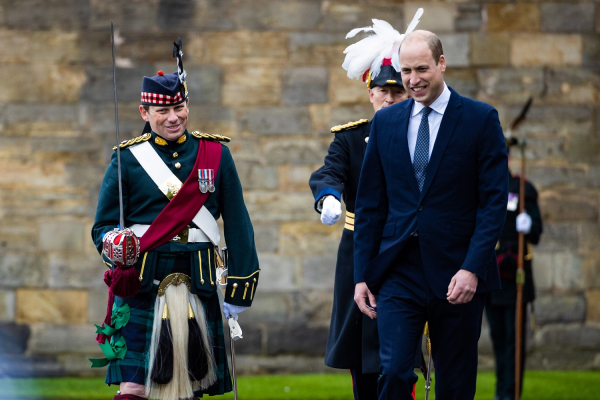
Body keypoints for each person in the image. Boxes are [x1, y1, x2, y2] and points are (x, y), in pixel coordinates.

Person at [91, 39, 259, 400]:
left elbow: (238, 222)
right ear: (144, 113)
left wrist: (241, 284)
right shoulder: (127, 159)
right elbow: (101, 226)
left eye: (179, 107)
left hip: (198, 278)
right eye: (162, 111)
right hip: (142, 280)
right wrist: (114, 245)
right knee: (134, 386)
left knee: (192, 384)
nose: (173, 117)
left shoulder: (216, 155)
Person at [353, 30, 508, 400]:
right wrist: (362, 276)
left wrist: (472, 268)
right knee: (392, 372)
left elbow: (493, 203)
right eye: (406, 71)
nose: (413, 80)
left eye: (422, 68)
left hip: (458, 271)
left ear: (441, 64)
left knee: (454, 384)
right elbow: (370, 206)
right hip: (398, 270)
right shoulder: (386, 123)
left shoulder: (480, 119)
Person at [309, 12, 424, 400]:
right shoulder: (351, 138)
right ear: (369, 90)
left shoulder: (422, 138)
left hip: (406, 249)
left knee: (400, 357)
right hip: (360, 252)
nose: (389, 99)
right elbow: (330, 172)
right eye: (382, 91)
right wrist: (326, 196)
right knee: (363, 353)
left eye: (397, 92)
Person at [486, 138, 543, 400]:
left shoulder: (522, 188)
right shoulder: (484, 188)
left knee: (514, 340)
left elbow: (537, 232)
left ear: (507, 158)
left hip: (515, 275)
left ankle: (511, 393)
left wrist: (528, 223)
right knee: (498, 339)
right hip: (490, 273)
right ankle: (501, 392)